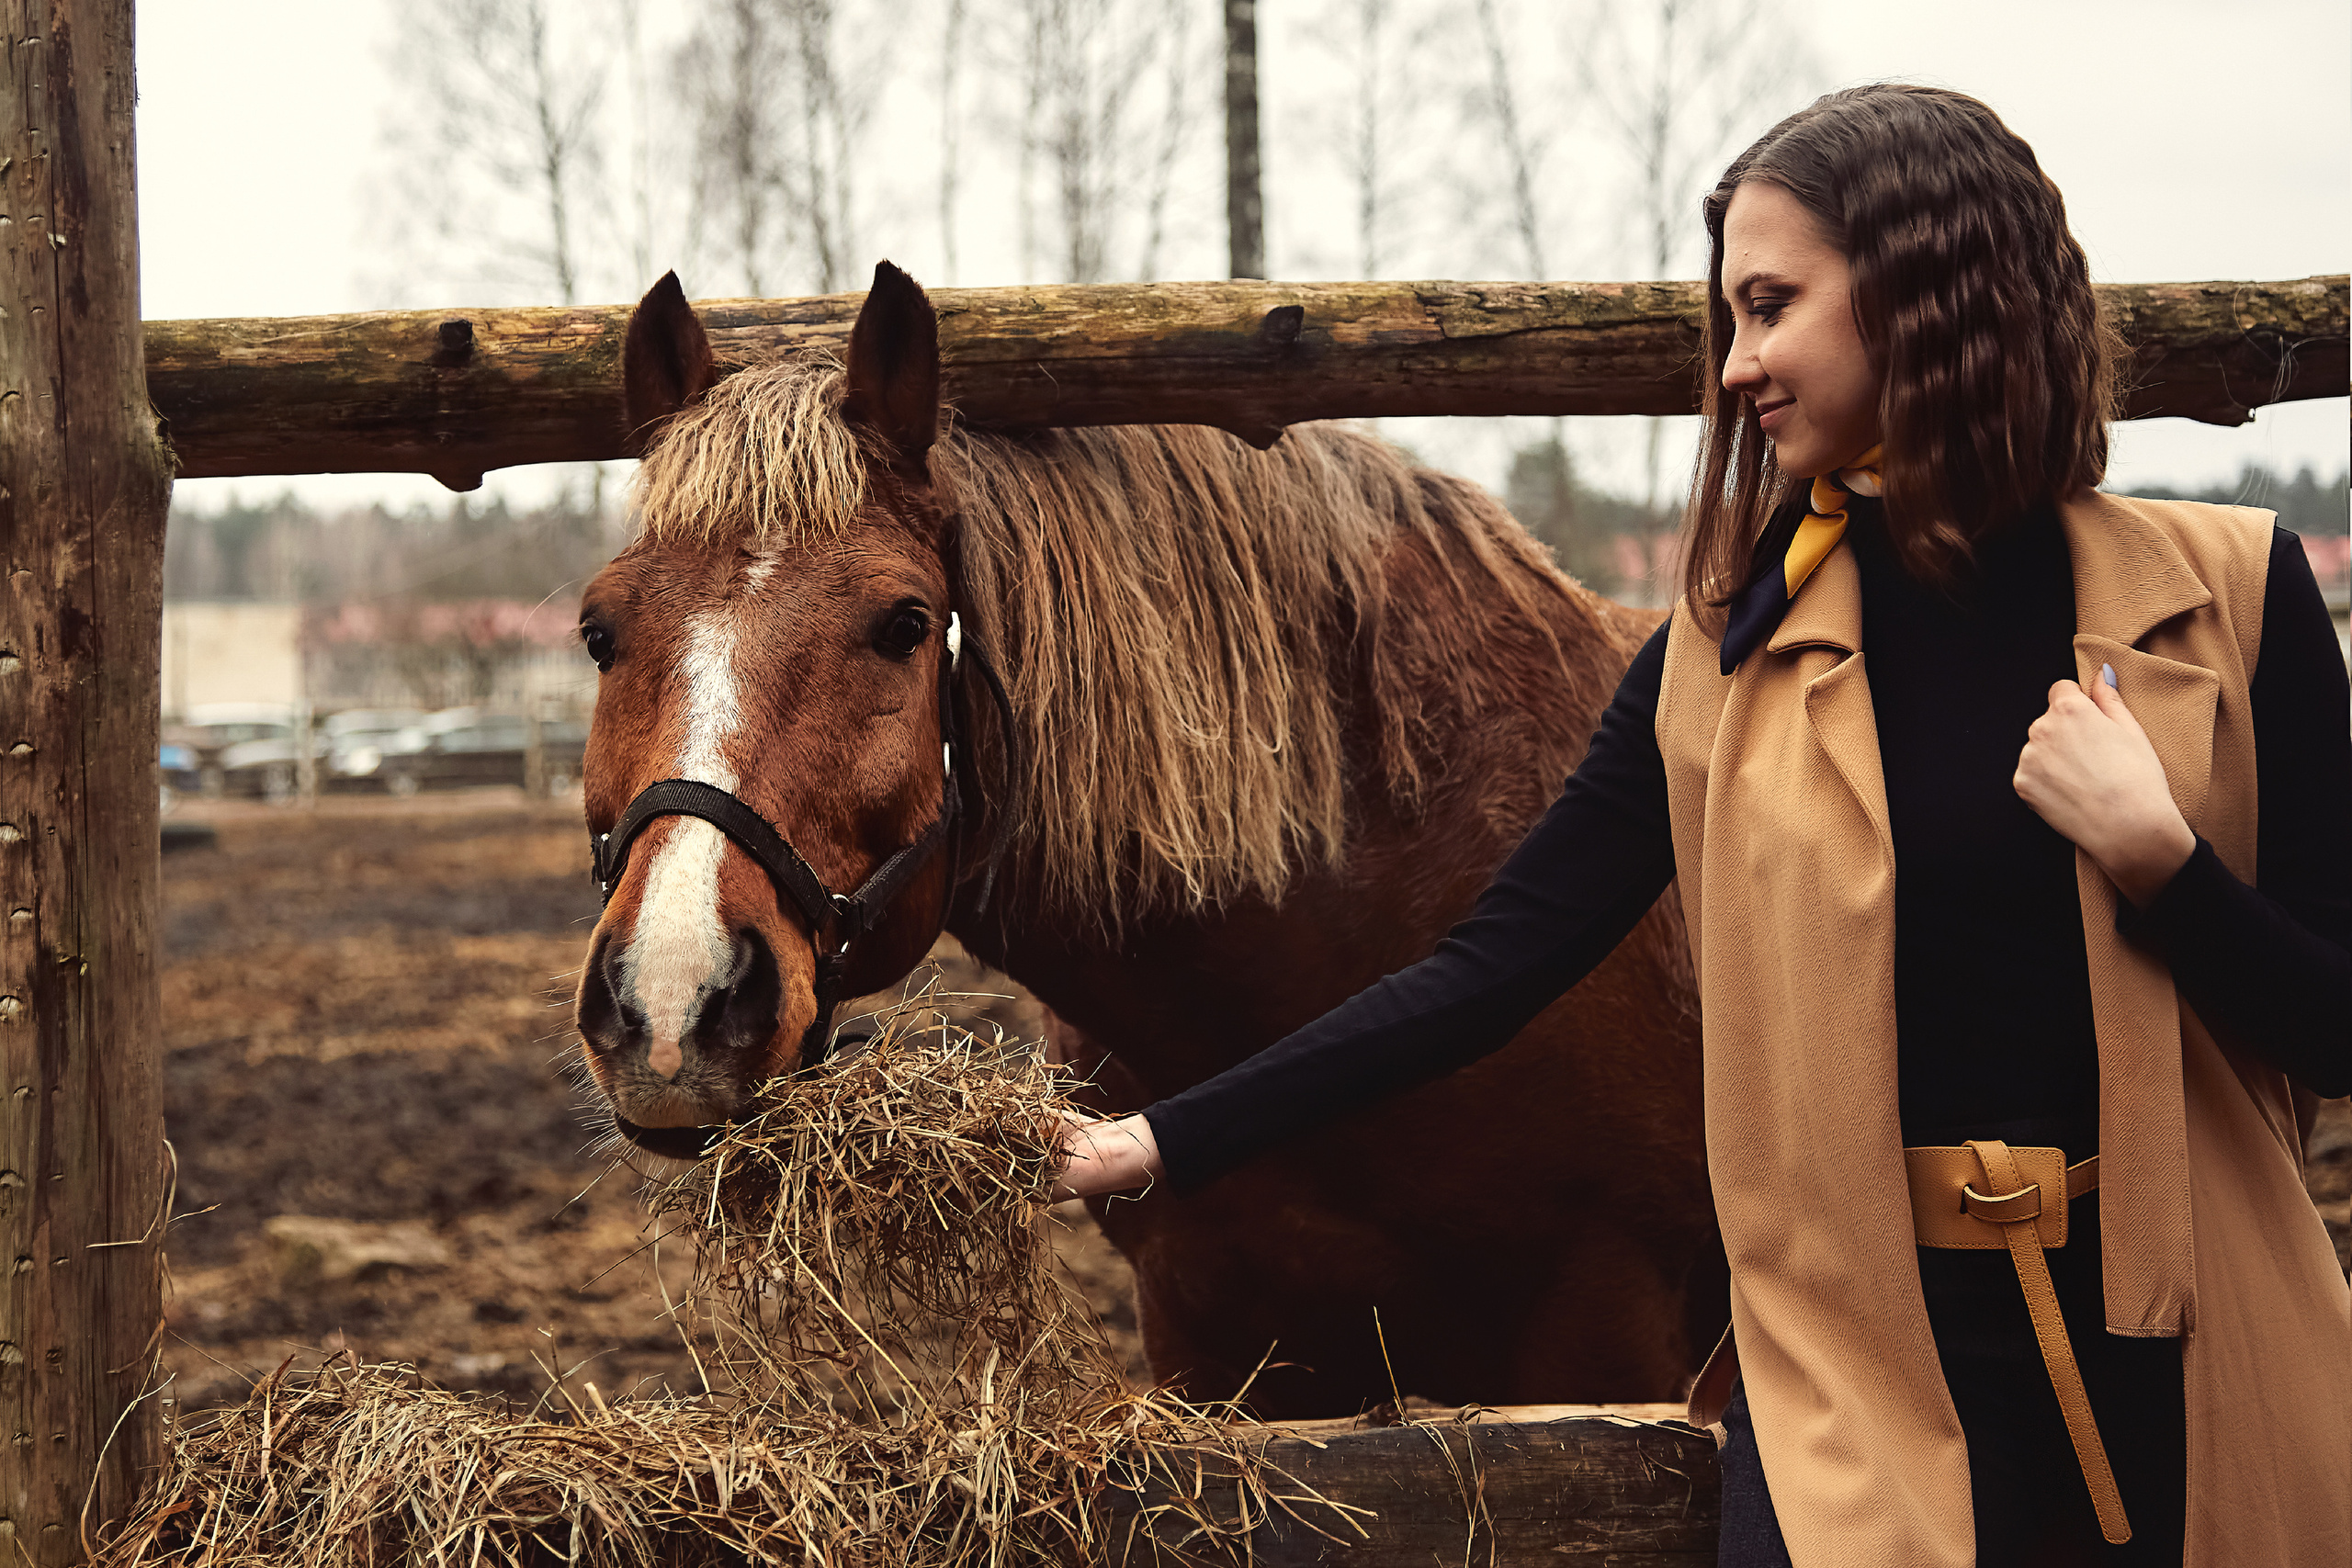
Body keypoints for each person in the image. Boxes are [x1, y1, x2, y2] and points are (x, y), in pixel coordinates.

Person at [1051, 84, 2350, 1568]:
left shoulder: (2235, 600)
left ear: (1927, 288)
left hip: (2187, 1358)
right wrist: (1162, 1138)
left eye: (1771, 307)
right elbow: (1488, 971)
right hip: (1869, 1385)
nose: (1736, 367)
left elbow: (2338, 1025)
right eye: (1728, 318)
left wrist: (2163, 864)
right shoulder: (1717, 664)